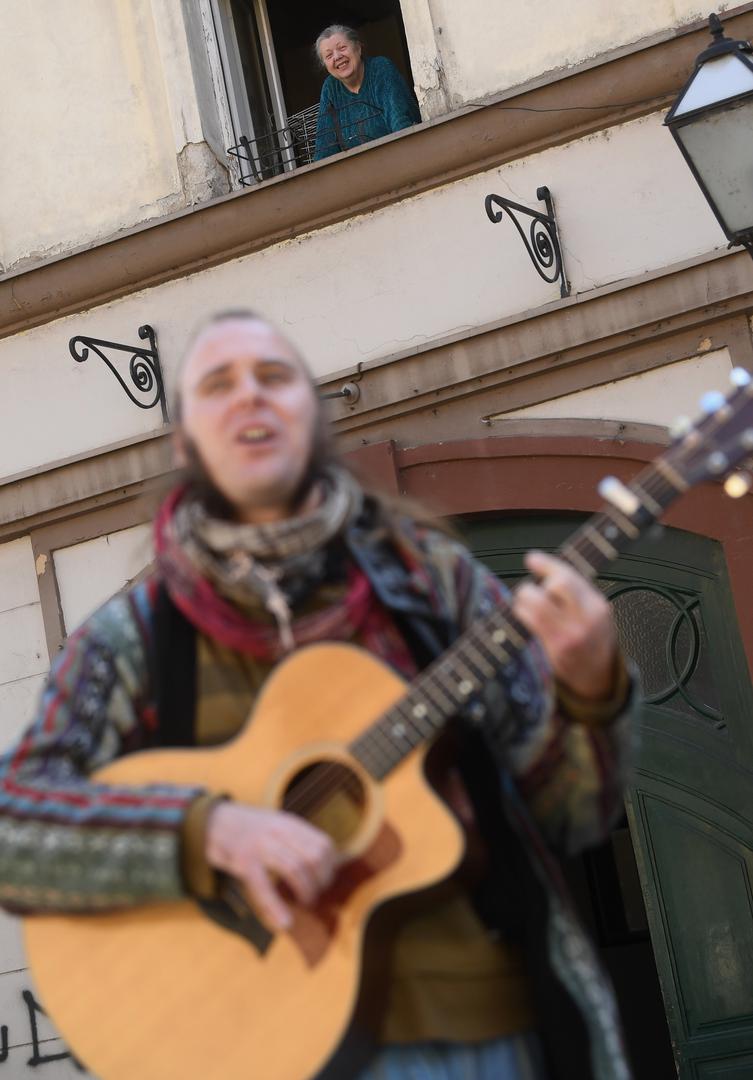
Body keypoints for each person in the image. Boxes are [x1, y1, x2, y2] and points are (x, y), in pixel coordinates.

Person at [0, 311, 637, 1080]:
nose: (250, 396)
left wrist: (589, 692)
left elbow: (570, 816)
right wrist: (208, 832)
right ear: (184, 445)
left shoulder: (432, 585)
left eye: (275, 377)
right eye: (218, 385)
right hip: (257, 1050)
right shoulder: (132, 636)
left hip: (487, 1040)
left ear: (315, 415)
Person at [313, 25, 421, 161]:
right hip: (361, 168)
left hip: (400, 156)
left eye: (342, 48)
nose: (337, 56)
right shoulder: (330, 87)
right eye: (329, 56)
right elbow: (324, 148)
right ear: (325, 65)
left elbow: (400, 122)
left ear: (358, 48)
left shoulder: (380, 68)